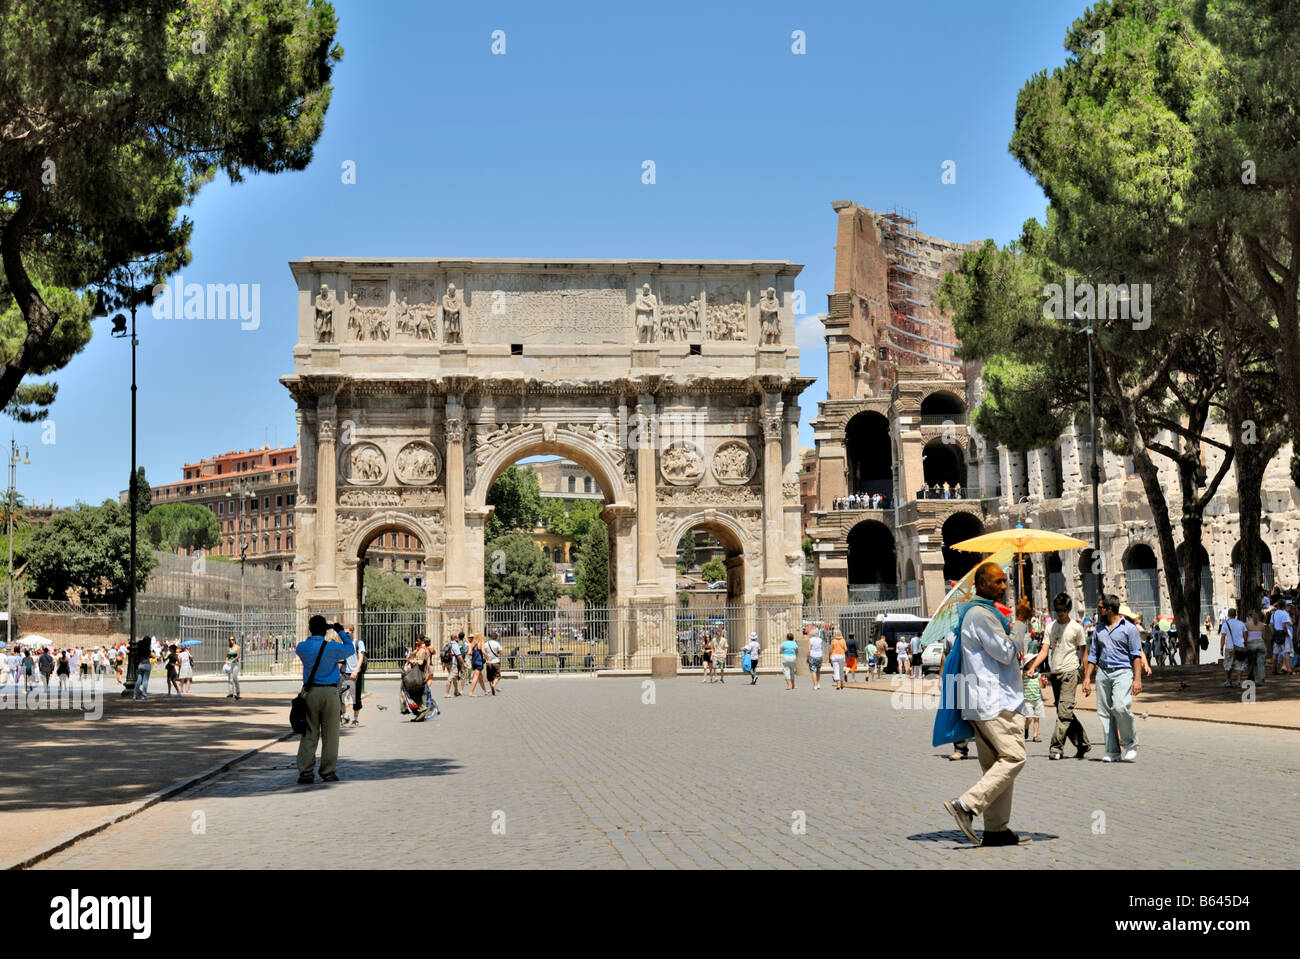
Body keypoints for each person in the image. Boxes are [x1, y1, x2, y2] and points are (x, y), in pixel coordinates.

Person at [942, 562, 1031, 846]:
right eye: (997, 582)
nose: (1003, 587)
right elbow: (1005, 652)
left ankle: (996, 829)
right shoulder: (981, 615)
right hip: (995, 701)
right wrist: (1020, 620)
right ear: (980, 585)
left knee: (996, 766)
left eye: (1005, 581)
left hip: (983, 701)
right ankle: (967, 805)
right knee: (1015, 757)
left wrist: (1016, 623)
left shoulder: (985, 614)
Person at [1025, 593, 1091, 760]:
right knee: (1065, 712)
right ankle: (1083, 744)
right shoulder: (1050, 627)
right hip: (1055, 673)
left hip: (1070, 672)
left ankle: (1056, 748)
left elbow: (1084, 654)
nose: (1059, 613)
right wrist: (1033, 666)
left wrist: (1087, 678)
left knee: (1064, 712)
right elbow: (1044, 651)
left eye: (1062, 610)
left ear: (1068, 610)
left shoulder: (1076, 628)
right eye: (1057, 610)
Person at [1081, 596, 1144, 762]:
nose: (1098, 610)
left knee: (1120, 706)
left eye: (1101, 607)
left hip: (1123, 672)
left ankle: (1130, 743)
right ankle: (1112, 751)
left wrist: (1137, 679)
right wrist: (1087, 677)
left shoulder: (1129, 629)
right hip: (1103, 673)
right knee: (1105, 712)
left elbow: (1136, 655)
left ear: (1109, 609)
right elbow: (1093, 655)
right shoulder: (1099, 630)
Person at [295, 617, 355, 783]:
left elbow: (303, 648)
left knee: (309, 733)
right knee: (331, 735)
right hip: (330, 692)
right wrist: (340, 631)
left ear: (310, 628)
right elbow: (350, 649)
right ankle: (328, 772)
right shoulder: (333, 648)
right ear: (325, 630)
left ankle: (306, 772)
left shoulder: (302, 647)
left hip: (310, 692)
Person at [1219, 608, 1246, 688]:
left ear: (1228, 615)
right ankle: (1238, 681)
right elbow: (1245, 635)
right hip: (1240, 647)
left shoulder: (1225, 624)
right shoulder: (1241, 624)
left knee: (1227, 664)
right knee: (1240, 665)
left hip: (1229, 647)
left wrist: (1221, 648)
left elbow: (1223, 637)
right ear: (1235, 615)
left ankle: (1228, 680)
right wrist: (1244, 643)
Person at [1243, 608, 1268, 688]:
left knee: (1251, 663)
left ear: (1249, 616)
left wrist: (1245, 643)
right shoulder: (1261, 624)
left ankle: (1251, 678)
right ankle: (1261, 680)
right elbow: (1264, 637)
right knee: (1261, 664)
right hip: (1261, 644)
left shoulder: (1246, 624)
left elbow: (1245, 636)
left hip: (1251, 645)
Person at [1269, 600, 1293, 676]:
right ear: (1284, 606)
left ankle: (1274, 669)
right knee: (1287, 652)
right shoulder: (1285, 613)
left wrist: (1273, 633)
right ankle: (1289, 669)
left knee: (1275, 653)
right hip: (1283, 634)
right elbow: (1284, 625)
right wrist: (1286, 634)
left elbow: (1270, 625)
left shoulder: (1274, 614)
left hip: (1276, 634)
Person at [132, 635, 152, 699]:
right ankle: (144, 695)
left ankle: (135, 695)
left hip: (140, 664)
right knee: (145, 681)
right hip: (147, 664)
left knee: (138, 680)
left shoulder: (140, 648)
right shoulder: (148, 649)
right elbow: (149, 656)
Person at [485, 631, 503, 695]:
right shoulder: (497, 644)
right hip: (496, 662)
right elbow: (500, 652)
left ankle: (492, 687)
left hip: (488, 662)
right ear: (496, 637)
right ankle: (494, 685)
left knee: (490, 677)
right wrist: (496, 654)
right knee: (497, 676)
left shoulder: (486, 644)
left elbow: (484, 652)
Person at [225, 636, 241, 700]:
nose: (231, 641)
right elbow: (227, 656)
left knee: (235, 678)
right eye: (230, 640)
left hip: (235, 664)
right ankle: (231, 693)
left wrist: (232, 660)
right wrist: (226, 660)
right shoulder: (228, 648)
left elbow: (238, 656)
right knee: (230, 678)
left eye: (232, 639)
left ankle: (238, 692)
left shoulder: (237, 647)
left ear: (235, 640)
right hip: (229, 664)